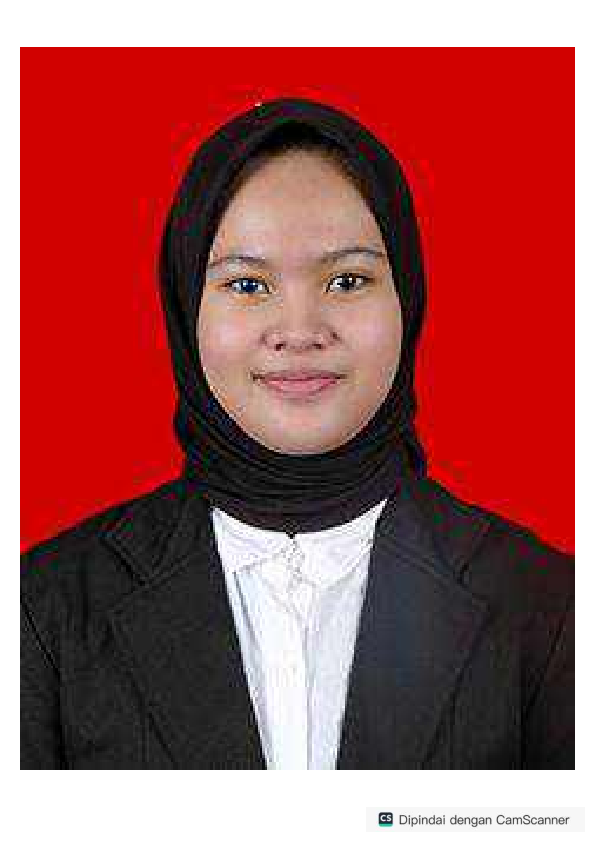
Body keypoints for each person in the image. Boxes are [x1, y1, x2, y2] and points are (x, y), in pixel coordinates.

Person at [20, 97, 574, 769]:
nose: (300, 330)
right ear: (186, 308)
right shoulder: (42, 609)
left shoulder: (547, 606)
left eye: (348, 279)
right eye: (248, 285)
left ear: (407, 298)